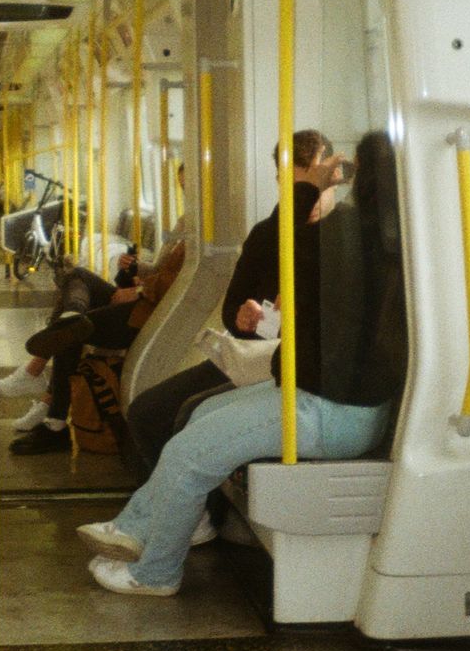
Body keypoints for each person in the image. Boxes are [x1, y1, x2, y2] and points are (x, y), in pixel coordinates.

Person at [80, 133, 403, 597]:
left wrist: (310, 185)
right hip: (321, 394)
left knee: (187, 455)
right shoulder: (379, 239)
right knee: (200, 415)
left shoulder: (350, 238)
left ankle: (155, 573)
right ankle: (134, 527)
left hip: (331, 411)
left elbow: (287, 248)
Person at [121, 130, 344, 478]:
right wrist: (248, 317)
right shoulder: (266, 235)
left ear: (336, 180)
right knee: (146, 413)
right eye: (297, 186)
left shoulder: (346, 236)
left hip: (303, 368)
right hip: (254, 356)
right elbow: (232, 308)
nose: (310, 198)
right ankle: (193, 514)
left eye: (318, 186)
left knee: (192, 414)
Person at [5, 239, 187, 454]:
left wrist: (139, 291)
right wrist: (137, 268)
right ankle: (70, 319)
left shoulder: (200, 230)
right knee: (77, 277)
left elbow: (185, 279)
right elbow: (162, 270)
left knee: (70, 331)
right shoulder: (185, 227)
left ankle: (47, 403)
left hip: (148, 312)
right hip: (143, 299)